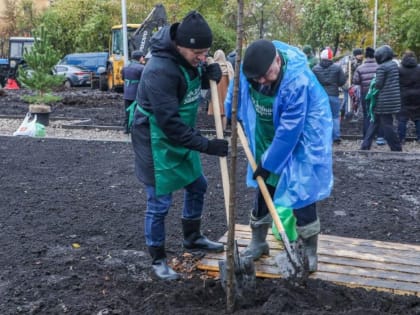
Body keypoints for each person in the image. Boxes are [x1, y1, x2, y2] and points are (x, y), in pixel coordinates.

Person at [130, 11, 228, 281]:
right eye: (198, 52)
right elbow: (169, 124)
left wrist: (210, 74)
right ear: (179, 45)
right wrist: (207, 145)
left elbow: (192, 85)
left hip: (181, 134)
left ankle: (193, 238)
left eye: (205, 52)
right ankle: (158, 260)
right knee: (159, 202)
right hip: (155, 139)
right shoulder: (159, 70)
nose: (202, 56)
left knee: (198, 185)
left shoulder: (186, 57)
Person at [224, 39, 333, 273]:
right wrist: (229, 112)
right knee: (264, 185)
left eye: (267, 74)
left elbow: (290, 130)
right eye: (257, 78)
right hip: (266, 131)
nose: (262, 81)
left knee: (301, 189)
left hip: (302, 136)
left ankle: (308, 250)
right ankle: (258, 241)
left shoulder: (296, 80)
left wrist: (269, 162)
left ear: (277, 60)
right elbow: (236, 89)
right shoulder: (249, 71)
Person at [361, 45, 402, 151]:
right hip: (392, 99)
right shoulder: (393, 65)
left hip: (383, 101)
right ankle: (365, 146)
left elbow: (378, 84)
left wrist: (372, 84)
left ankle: (396, 148)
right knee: (374, 122)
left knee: (387, 125)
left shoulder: (382, 67)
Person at [313, 47, 346, 144]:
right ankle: (336, 137)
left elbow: (312, 83)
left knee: (321, 117)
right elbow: (342, 81)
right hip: (333, 95)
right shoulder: (337, 68)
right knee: (335, 116)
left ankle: (323, 137)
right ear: (331, 57)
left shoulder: (315, 68)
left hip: (320, 96)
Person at [352, 47, 378, 137]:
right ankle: (378, 136)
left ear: (365, 56)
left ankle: (367, 135)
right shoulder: (379, 67)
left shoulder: (360, 68)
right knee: (377, 113)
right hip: (377, 94)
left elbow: (355, 81)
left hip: (365, 93)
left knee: (366, 114)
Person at [207, 49, 234, 131]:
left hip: (216, 90)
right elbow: (232, 77)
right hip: (226, 89)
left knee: (217, 109)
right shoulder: (228, 65)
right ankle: (224, 128)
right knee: (225, 110)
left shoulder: (213, 66)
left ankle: (218, 129)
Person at [398, 50, 420, 144]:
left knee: (402, 118)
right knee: (418, 117)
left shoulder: (400, 69)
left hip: (403, 95)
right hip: (418, 95)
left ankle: (401, 139)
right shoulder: (419, 68)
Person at [121, 50, 145, 133]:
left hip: (127, 93)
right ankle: (136, 129)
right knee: (138, 112)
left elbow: (123, 78)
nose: (143, 58)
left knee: (127, 111)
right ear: (140, 58)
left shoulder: (125, 67)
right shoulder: (142, 68)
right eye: (143, 57)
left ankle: (126, 128)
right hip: (137, 94)